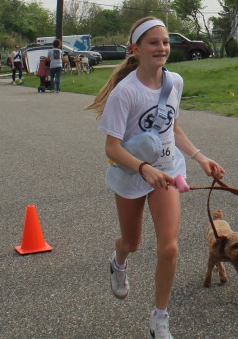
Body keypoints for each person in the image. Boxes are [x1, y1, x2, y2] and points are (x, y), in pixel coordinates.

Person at [87, 17, 224, 339]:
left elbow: (171, 127)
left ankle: (160, 317)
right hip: (132, 174)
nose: (162, 47)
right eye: (153, 42)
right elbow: (112, 147)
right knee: (132, 242)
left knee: (170, 247)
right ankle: (119, 260)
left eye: (164, 42)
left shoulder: (174, 82)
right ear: (135, 49)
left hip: (168, 171)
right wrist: (144, 169)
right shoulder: (125, 93)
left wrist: (200, 157)